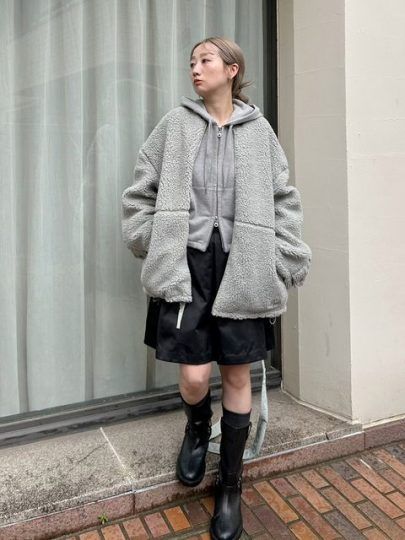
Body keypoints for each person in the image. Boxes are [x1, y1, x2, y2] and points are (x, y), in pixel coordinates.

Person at [121, 36, 311, 540]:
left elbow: (284, 198)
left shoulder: (259, 131)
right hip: (187, 264)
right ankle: (197, 427)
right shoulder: (176, 124)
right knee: (192, 375)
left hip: (243, 264)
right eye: (191, 62)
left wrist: (282, 258)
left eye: (204, 60)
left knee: (237, 375)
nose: (195, 69)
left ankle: (230, 486)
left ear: (231, 69)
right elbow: (141, 189)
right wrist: (151, 237)